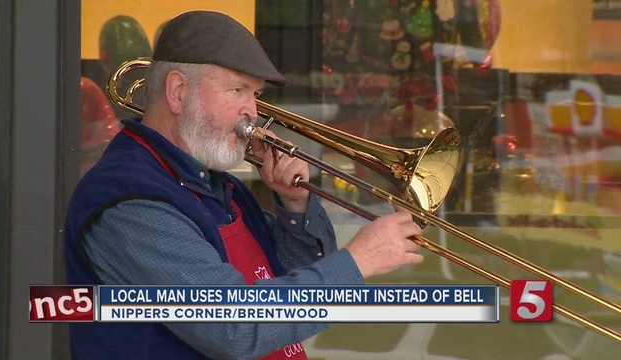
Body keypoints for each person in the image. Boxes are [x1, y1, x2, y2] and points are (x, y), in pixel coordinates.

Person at [64, 10, 424, 360]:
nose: (252, 111)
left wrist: (294, 205)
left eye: (256, 95)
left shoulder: (213, 185)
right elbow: (235, 327)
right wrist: (358, 261)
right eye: (237, 90)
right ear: (176, 91)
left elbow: (292, 290)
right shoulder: (131, 200)